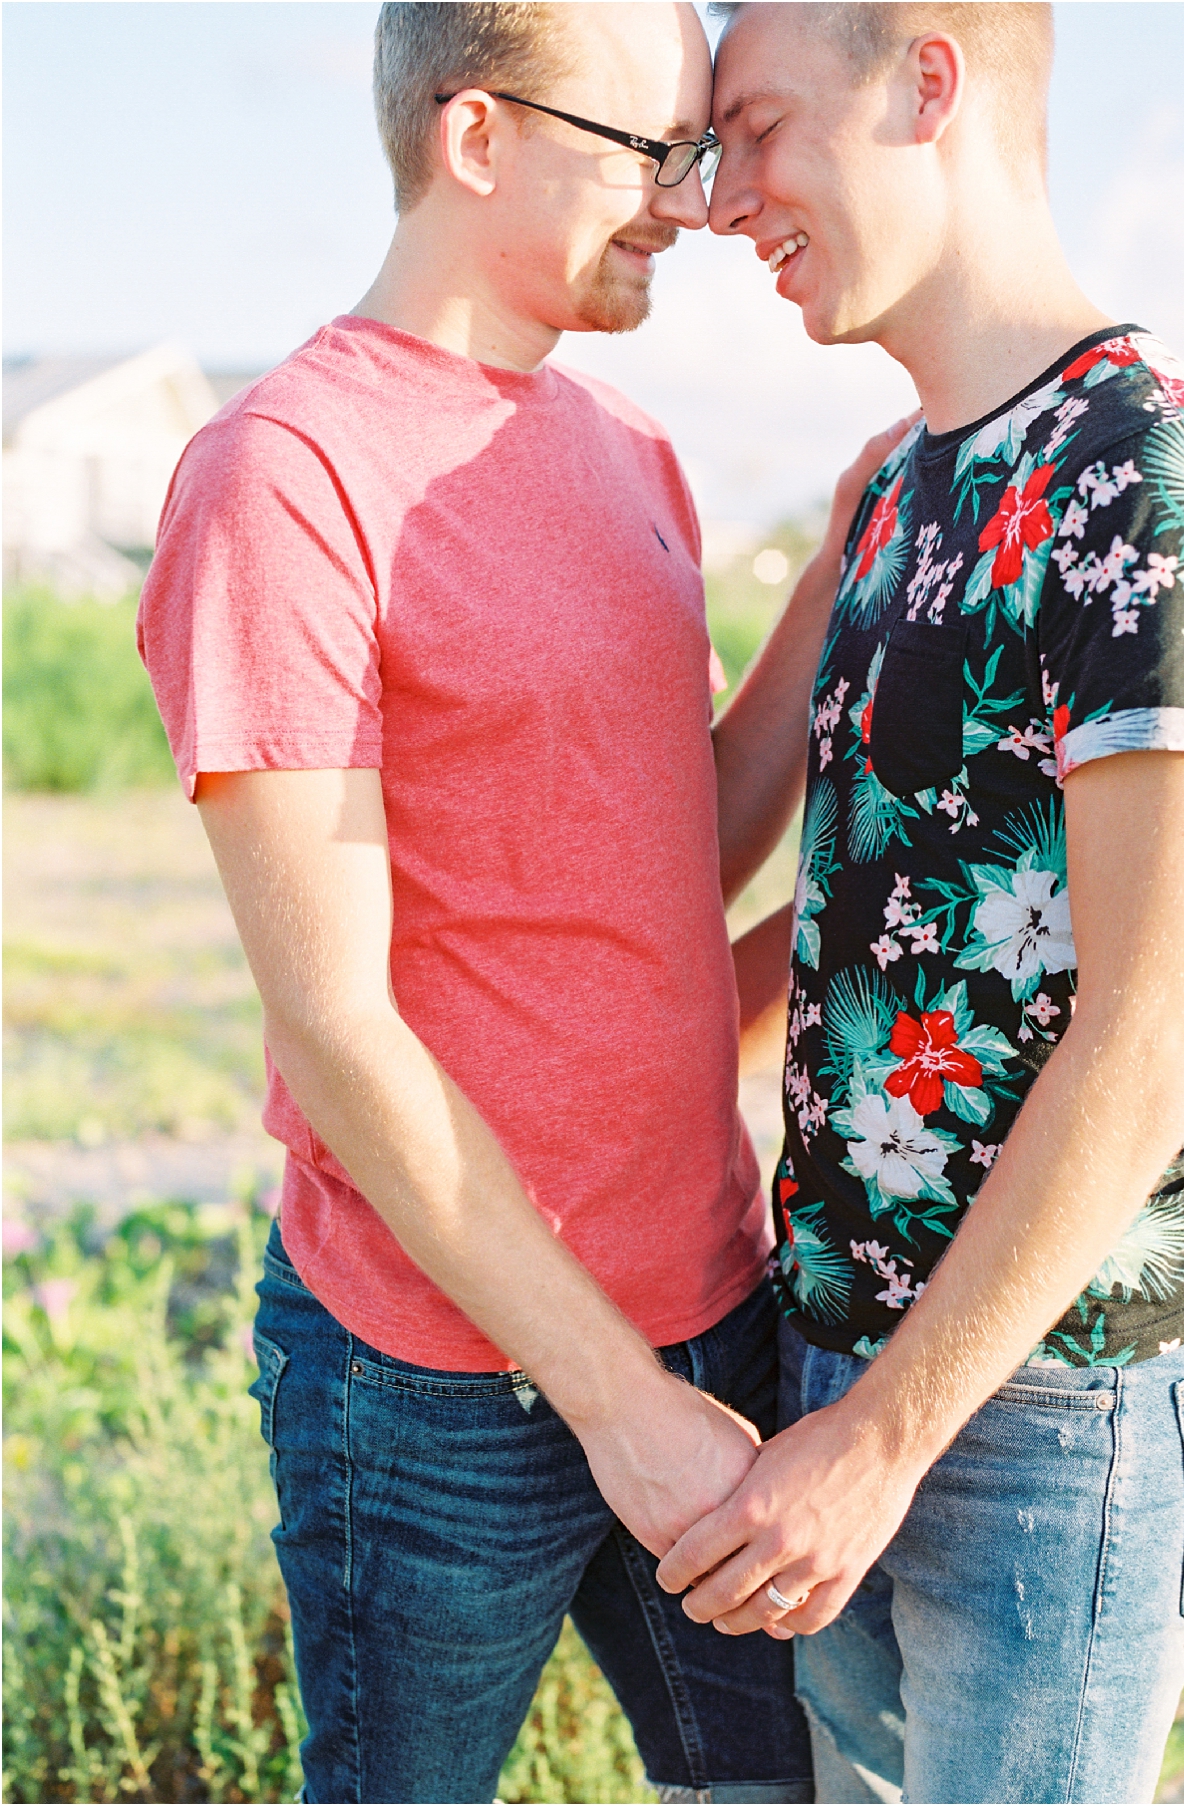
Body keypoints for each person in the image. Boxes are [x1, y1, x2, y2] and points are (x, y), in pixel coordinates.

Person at [133, 3, 886, 1798]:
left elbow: (659, 851)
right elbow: (336, 1018)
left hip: (709, 1306)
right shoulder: (285, 480)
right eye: (653, 151)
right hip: (430, 1374)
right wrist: (615, 1404)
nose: (693, 206)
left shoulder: (631, 452)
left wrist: (843, 553)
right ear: (476, 137)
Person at [657, 7, 1184, 1803]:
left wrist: (880, 1439)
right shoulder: (902, 480)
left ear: (925, 80)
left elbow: (1155, 1031)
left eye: (761, 129)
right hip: (837, 1342)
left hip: (1048, 1400)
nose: (724, 200)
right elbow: (869, 907)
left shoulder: (1145, 475)